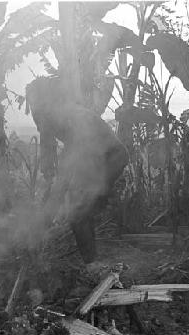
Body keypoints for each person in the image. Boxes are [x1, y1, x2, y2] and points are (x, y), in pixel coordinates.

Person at [26, 76, 128, 263]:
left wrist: (46, 217)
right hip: (102, 159)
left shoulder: (62, 115)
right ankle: (92, 259)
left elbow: (69, 165)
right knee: (79, 209)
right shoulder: (61, 112)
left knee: (78, 212)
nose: (33, 111)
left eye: (34, 102)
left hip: (107, 159)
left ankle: (92, 265)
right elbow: (57, 157)